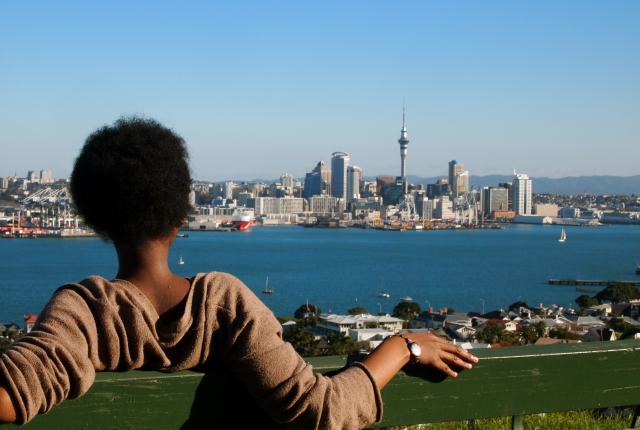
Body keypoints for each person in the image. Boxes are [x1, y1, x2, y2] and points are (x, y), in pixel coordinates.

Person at [0, 117, 478, 428]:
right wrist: (403, 346)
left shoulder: (85, 312)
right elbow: (323, 409)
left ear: (93, 218)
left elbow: (14, 390)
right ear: (182, 211)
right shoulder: (221, 304)